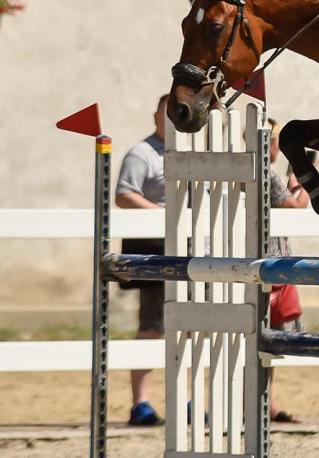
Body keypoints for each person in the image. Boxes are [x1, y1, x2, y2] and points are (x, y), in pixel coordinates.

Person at [115, 94, 169, 427]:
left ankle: (188, 399)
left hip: (193, 251)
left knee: (192, 331)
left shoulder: (194, 153)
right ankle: (141, 403)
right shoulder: (142, 153)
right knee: (151, 329)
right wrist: (165, 215)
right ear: (155, 117)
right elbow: (124, 194)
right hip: (155, 253)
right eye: (168, 116)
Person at [266, 118, 309, 424]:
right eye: (277, 140)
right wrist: (304, 185)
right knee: (269, 340)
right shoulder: (268, 174)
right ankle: (263, 405)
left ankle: (266, 404)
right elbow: (297, 210)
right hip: (272, 262)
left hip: (261, 259)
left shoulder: (250, 171)